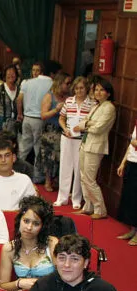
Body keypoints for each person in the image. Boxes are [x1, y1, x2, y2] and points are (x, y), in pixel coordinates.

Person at [0, 196, 58, 291]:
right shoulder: (9, 248)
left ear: (42, 227)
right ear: (19, 220)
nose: (29, 227)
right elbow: (2, 287)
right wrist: (19, 283)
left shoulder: (51, 243)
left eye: (36, 223)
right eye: (26, 221)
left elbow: (63, 278)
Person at [75, 79, 116, 220]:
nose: (98, 92)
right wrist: (88, 123)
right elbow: (84, 121)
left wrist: (86, 124)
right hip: (85, 143)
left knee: (89, 179)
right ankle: (88, 206)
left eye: (102, 90)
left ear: (108, 93)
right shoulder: (96, 106)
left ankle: (100, 208)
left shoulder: (109, 107)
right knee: (83, 176)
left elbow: (99, 128)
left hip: (96, 146)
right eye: (96, 89)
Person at [57, 77, 95, 209]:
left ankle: (76, 199)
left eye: (82, 88)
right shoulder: (68, 101)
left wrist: (84, 127)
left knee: (78, 169)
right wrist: (65, 129)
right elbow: (61, 118)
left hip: (81, 140)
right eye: (77, 88)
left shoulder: (92, 104)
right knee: (65, 167)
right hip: (67, 138)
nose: (79, 90)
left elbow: (93, 122)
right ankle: (62, 197)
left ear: (87, 88)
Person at [17, 62, 54, 181]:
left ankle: (17, 171)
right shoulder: (51, 83)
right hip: (39, 118)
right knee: (38, 148)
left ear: (41, 72)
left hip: (27, 117)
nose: (35, 72)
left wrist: (19, 113)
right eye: (34, 70)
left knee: (24, 147)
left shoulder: (27, 83)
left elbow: (19, 99)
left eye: (37, 70)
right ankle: (37, 176)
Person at [38, 72, 72, 193]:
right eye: (67, 83)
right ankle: (48, 180)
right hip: (50, 132)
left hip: (64, 131)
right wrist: (56, 109)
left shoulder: (70, 97)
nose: (69, 86)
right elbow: (43, 115)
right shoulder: (49, 96)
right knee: (49, 157)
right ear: (60, 83)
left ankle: (58, 179)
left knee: (62, 157)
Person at [0, 140, 37, 211]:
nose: (3, 160)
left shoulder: (24, 180)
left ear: (14, 158)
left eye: (7, 156)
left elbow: (32, 207)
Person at [116, 121, 137, 244]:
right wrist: (123, 162)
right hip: (131, 162)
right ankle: (132, 229)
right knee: (129, 198)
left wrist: (132, 141)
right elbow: (130, 145)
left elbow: (133, 141)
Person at [0, 65, 20, 135]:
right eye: (8, 74)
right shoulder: (0, 89)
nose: (11, 76)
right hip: (1, 120)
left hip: (15, 121)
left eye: (13, 74)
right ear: (5, 75)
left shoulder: (19, 89)